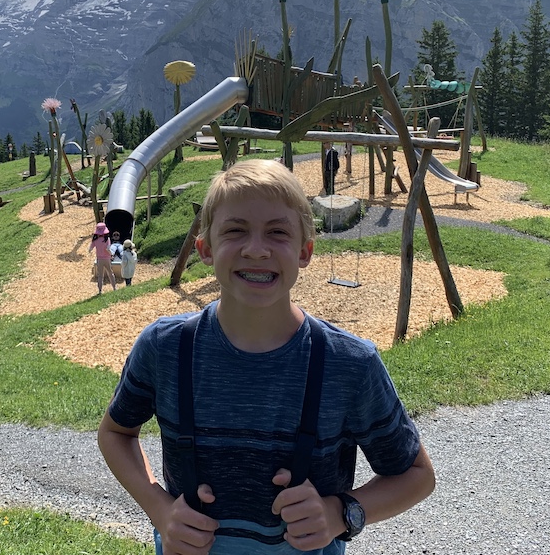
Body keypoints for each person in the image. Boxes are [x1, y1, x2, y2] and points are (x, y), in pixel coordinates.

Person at [98, 160, 435, 555]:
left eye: (277, 232)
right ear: (205, 249)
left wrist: (341, 513)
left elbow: (416, 476)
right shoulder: (164, 348)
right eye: (235, 230)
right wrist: (159, 508)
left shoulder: (349, 364)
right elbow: (115, 433)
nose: (256, 249)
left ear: (304, 251)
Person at [89, 222, 118, 294]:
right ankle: (114, 288)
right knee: (110, 273)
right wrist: (111, 254)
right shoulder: (107, 239)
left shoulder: (95, 240)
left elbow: (90, 248)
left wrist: (91, 251)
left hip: (99, 259)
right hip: (107, 259)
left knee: (100, 276)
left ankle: (100, 291)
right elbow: (108, 249)